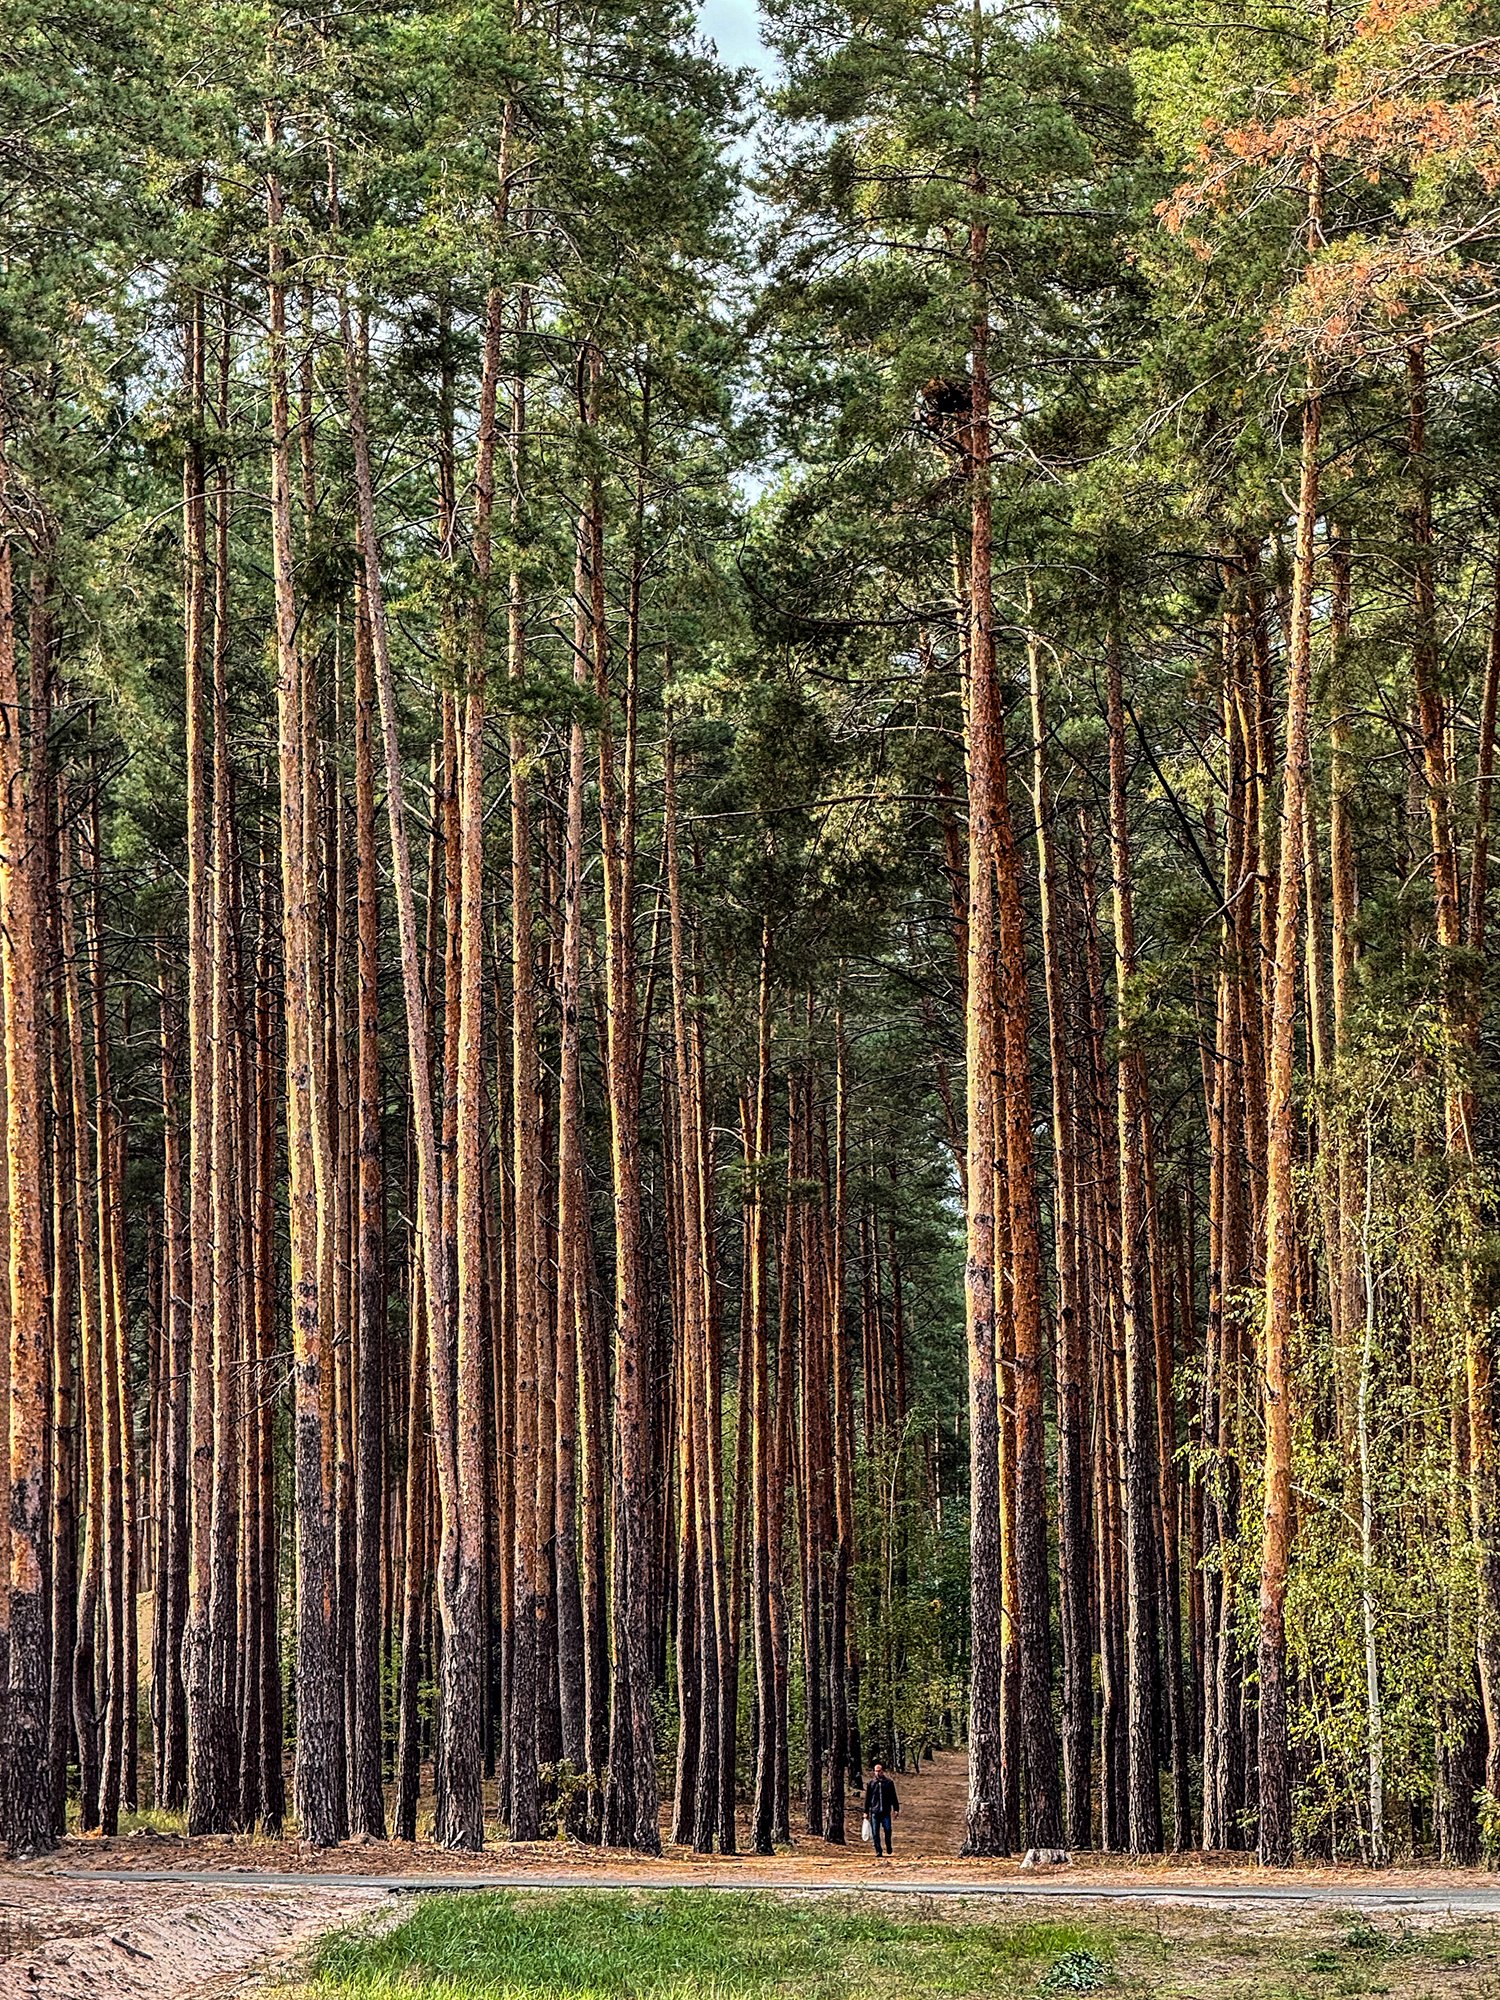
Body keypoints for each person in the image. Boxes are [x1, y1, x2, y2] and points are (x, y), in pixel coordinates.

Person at [864, 1761, 899, 1858]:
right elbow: (867, 1799)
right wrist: (866, 1811)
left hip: (885, 1811)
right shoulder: (871, 1783)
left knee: (888, 1829)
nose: (877, 1773)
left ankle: (888, 1845)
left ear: (882, 1771)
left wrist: (896, 1809)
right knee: (875, 1832)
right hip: (875, 1812)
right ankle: (878, 1851)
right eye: (876, 1771)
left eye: (879, 1771)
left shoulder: (888, 1783)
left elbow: (893, 1797)